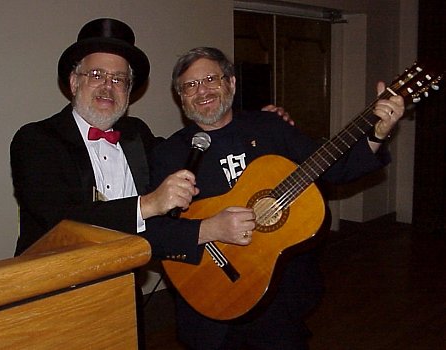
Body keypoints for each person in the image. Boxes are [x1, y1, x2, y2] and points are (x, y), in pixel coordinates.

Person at [146, 47, 405, 349]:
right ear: (180, 97)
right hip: (210, 303)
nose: (202, 90)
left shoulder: (270, 127)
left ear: (230, 83)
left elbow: (334, 169)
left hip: (278, 299)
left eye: (210, 79)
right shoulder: (168, 155)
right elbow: (156, 232)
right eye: (190, 85)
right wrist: (212, 229)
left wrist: (377, 134)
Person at [10, 18, 289, 258]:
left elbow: (191, 155)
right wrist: (149, 204)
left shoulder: (137, 135)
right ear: (74, 82)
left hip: (123, 280)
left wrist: (253, 125)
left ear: (128, 90)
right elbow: (60, 219)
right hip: (50, 288)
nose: (108, 86)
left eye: (119, 79)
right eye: (96, 75)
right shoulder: (36, 140)